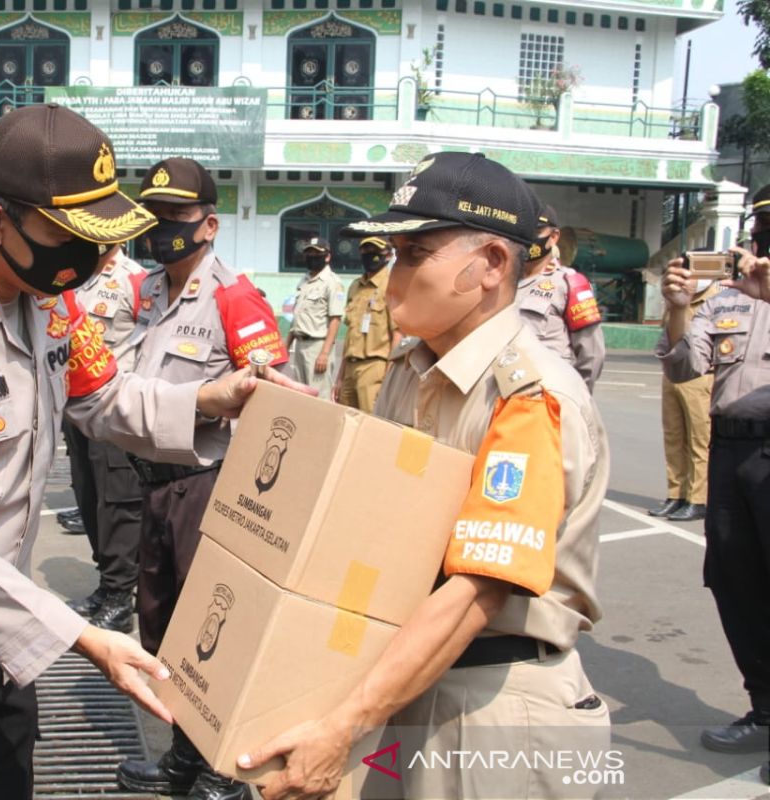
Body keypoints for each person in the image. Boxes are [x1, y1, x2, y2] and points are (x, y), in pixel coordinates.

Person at [0, 105, 301, 800]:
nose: (97, 258)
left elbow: (105, 397)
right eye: (74, 235)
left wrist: (211, 400)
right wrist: (83, 637)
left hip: (0, 642)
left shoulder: (47, 300)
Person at [239, 153, 611, 799]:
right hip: (409, 682)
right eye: (391, 255)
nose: (390, 276)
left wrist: (343, 725)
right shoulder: (414, 369)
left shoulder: (528, 399)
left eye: (415, 254)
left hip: (494, 708)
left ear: (492, 264)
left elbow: (478, 591)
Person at [114, 157, 289, 800]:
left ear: (209, 225)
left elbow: (273, 400)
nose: (160, 230)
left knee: (212, 633)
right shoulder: (147, 291)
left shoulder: (234, 298)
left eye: (174, 220)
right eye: (152, 218)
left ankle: (225, 766)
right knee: (160, 626)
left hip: (206, 485)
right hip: (153, 485)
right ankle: (183, 757)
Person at [656, 184, 770, 772]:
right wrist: (678, 306)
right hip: (731, 456)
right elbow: (685, 366)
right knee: (736, 582)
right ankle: (765, 708)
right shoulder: (726, 294)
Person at [65, 246, 148, 632]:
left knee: (118, 501)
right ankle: (106, 582)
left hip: (115, 405)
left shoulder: (135, 279)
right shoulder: (75, 274)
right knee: (89, 496)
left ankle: (120, 594)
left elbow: (151, 343)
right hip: (76, 405)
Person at [649, 278, 720, 522]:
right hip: (672, 373)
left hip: (700, 375)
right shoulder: (678, 294)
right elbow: (665, 329)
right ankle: (675, 494)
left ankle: (698, 499)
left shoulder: (719, 297)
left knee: (699, 440)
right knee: (673, 437)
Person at [515, 205, 606, 391]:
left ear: (554, 237)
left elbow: (592, 355)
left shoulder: (569, 284)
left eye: (537, 231)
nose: (530, 238)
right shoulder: (501, 281)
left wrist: (575, 397)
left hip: (548, 397)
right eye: (524, 231)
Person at [333, 235, 398, 412]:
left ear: (388, 255)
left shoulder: (392, 285)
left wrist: (389, 376)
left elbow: (397, 335)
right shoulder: (355, 286)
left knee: (371, 423)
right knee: (346, 421)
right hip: (350, 367)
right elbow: (350, 334)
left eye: (375, 251)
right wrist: (340, 377)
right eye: (366, 251)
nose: (370, 255)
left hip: (375, 366)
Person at [286, 237, 345, 396]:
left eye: (317, 253)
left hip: (317, 346)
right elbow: (297, 316)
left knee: (318, 397)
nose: (312, 257)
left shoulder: (332, 282)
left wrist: (324, 353)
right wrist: (286, 344)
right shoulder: (304, 280)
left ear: (327, 257)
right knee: (300, 395)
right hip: (300, 345)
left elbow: (335, 319)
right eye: (309, 253)